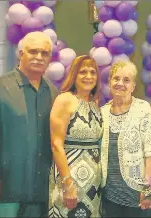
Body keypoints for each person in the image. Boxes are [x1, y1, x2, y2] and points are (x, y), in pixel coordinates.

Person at [0, 32, 58, 217]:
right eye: (33, 51)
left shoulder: (52, 91)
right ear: (21, 54)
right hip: (4, 190)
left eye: (45, 53)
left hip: (41, 192)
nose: (39, 57)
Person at [100, 61, 151, 218]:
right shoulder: (103, 112)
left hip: (137, 195)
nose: (120, 83)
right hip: (110, 195)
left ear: (133, 86)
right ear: (110, 82)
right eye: (116, 78)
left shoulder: (143, 108)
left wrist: (148, 189)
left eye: (126, 80)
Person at [48, 55, 103, 217]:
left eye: (92, 72)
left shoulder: (95, 103)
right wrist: (67, 183)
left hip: (93, 182)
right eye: (83, 72)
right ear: (74, 75)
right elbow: (56, 144)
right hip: (70, 179)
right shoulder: (65, 99)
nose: (88, 76)